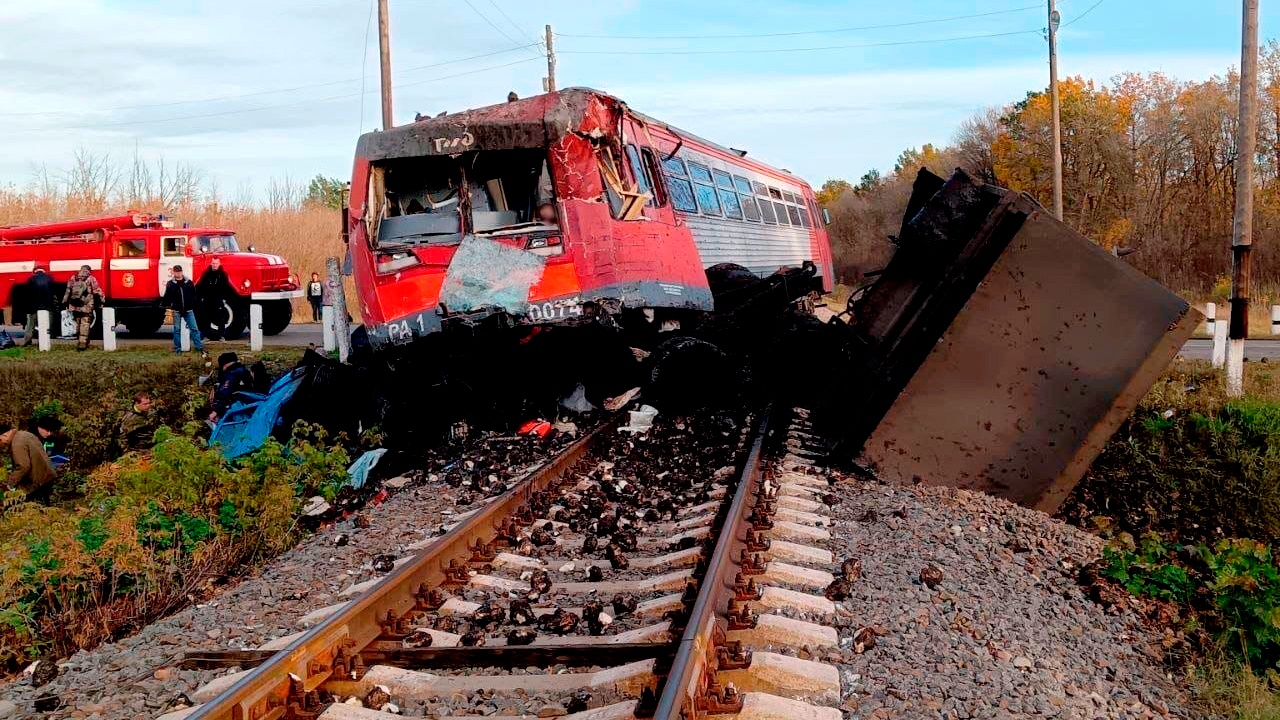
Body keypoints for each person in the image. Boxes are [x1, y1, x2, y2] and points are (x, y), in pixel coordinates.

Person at [0, 421, 55, 504]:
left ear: (5, 435)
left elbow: (23, 466)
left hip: (37, 482)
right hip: (46, 476)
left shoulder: (17, 443)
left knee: (33, 510)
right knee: (45, 509)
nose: (1, 443)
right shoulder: (24, 434)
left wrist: (9, 484)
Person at [161, 265, 205, 354]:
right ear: (173, 272)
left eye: (179, 271)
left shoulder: (189, 282)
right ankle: (178, 349)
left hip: (189, 310)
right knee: (177, 330)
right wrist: (169, 305)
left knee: (195, 329)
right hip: (176, 310)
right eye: (176, 271)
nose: (178, 273)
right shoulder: (170, 284)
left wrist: (193, 304)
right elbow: (167, 296)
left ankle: (199, 348)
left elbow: (194, 294)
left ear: (182, 271)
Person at [61, 265, 104, 351]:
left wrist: (65, 302)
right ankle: (82, 344)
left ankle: (81, 340)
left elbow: (68, 291)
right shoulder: (91, 278)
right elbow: (97, 291)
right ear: (89, 270)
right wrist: (102, 301)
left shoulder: (73, 277)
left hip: (74, 305)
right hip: (86, 305)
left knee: (77, 323)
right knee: (85, 323)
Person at [209, 352, 254, 422]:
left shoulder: (231, 374)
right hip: (249, 405)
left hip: (238, 407)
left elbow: (224, 393)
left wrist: (215, 411)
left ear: (224, 365)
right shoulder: (243, 370)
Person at [196, 257, 233, 341]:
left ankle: (221, 336)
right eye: (213, 263)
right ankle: (206, 336)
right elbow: (201, 286)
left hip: (218, 300)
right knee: (206, 318)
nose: (214, 265)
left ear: (219, 264)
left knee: (221, 319)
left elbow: (226, 288)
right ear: (211, 263)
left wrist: (224, 298)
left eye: (216, 263)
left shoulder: (223, 274)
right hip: (207, 300)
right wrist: (201, 297)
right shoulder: (206, 274)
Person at [21, 267, 55, 347]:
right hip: (48, 307)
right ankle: (44, 343)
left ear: (35, 272)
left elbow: (28, 294)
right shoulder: (50, 278)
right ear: (44, 271)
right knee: (46, 327)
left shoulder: (31, 279)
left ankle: (27, 342)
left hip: (34, 307)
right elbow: (53, 293)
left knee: (30, 326)